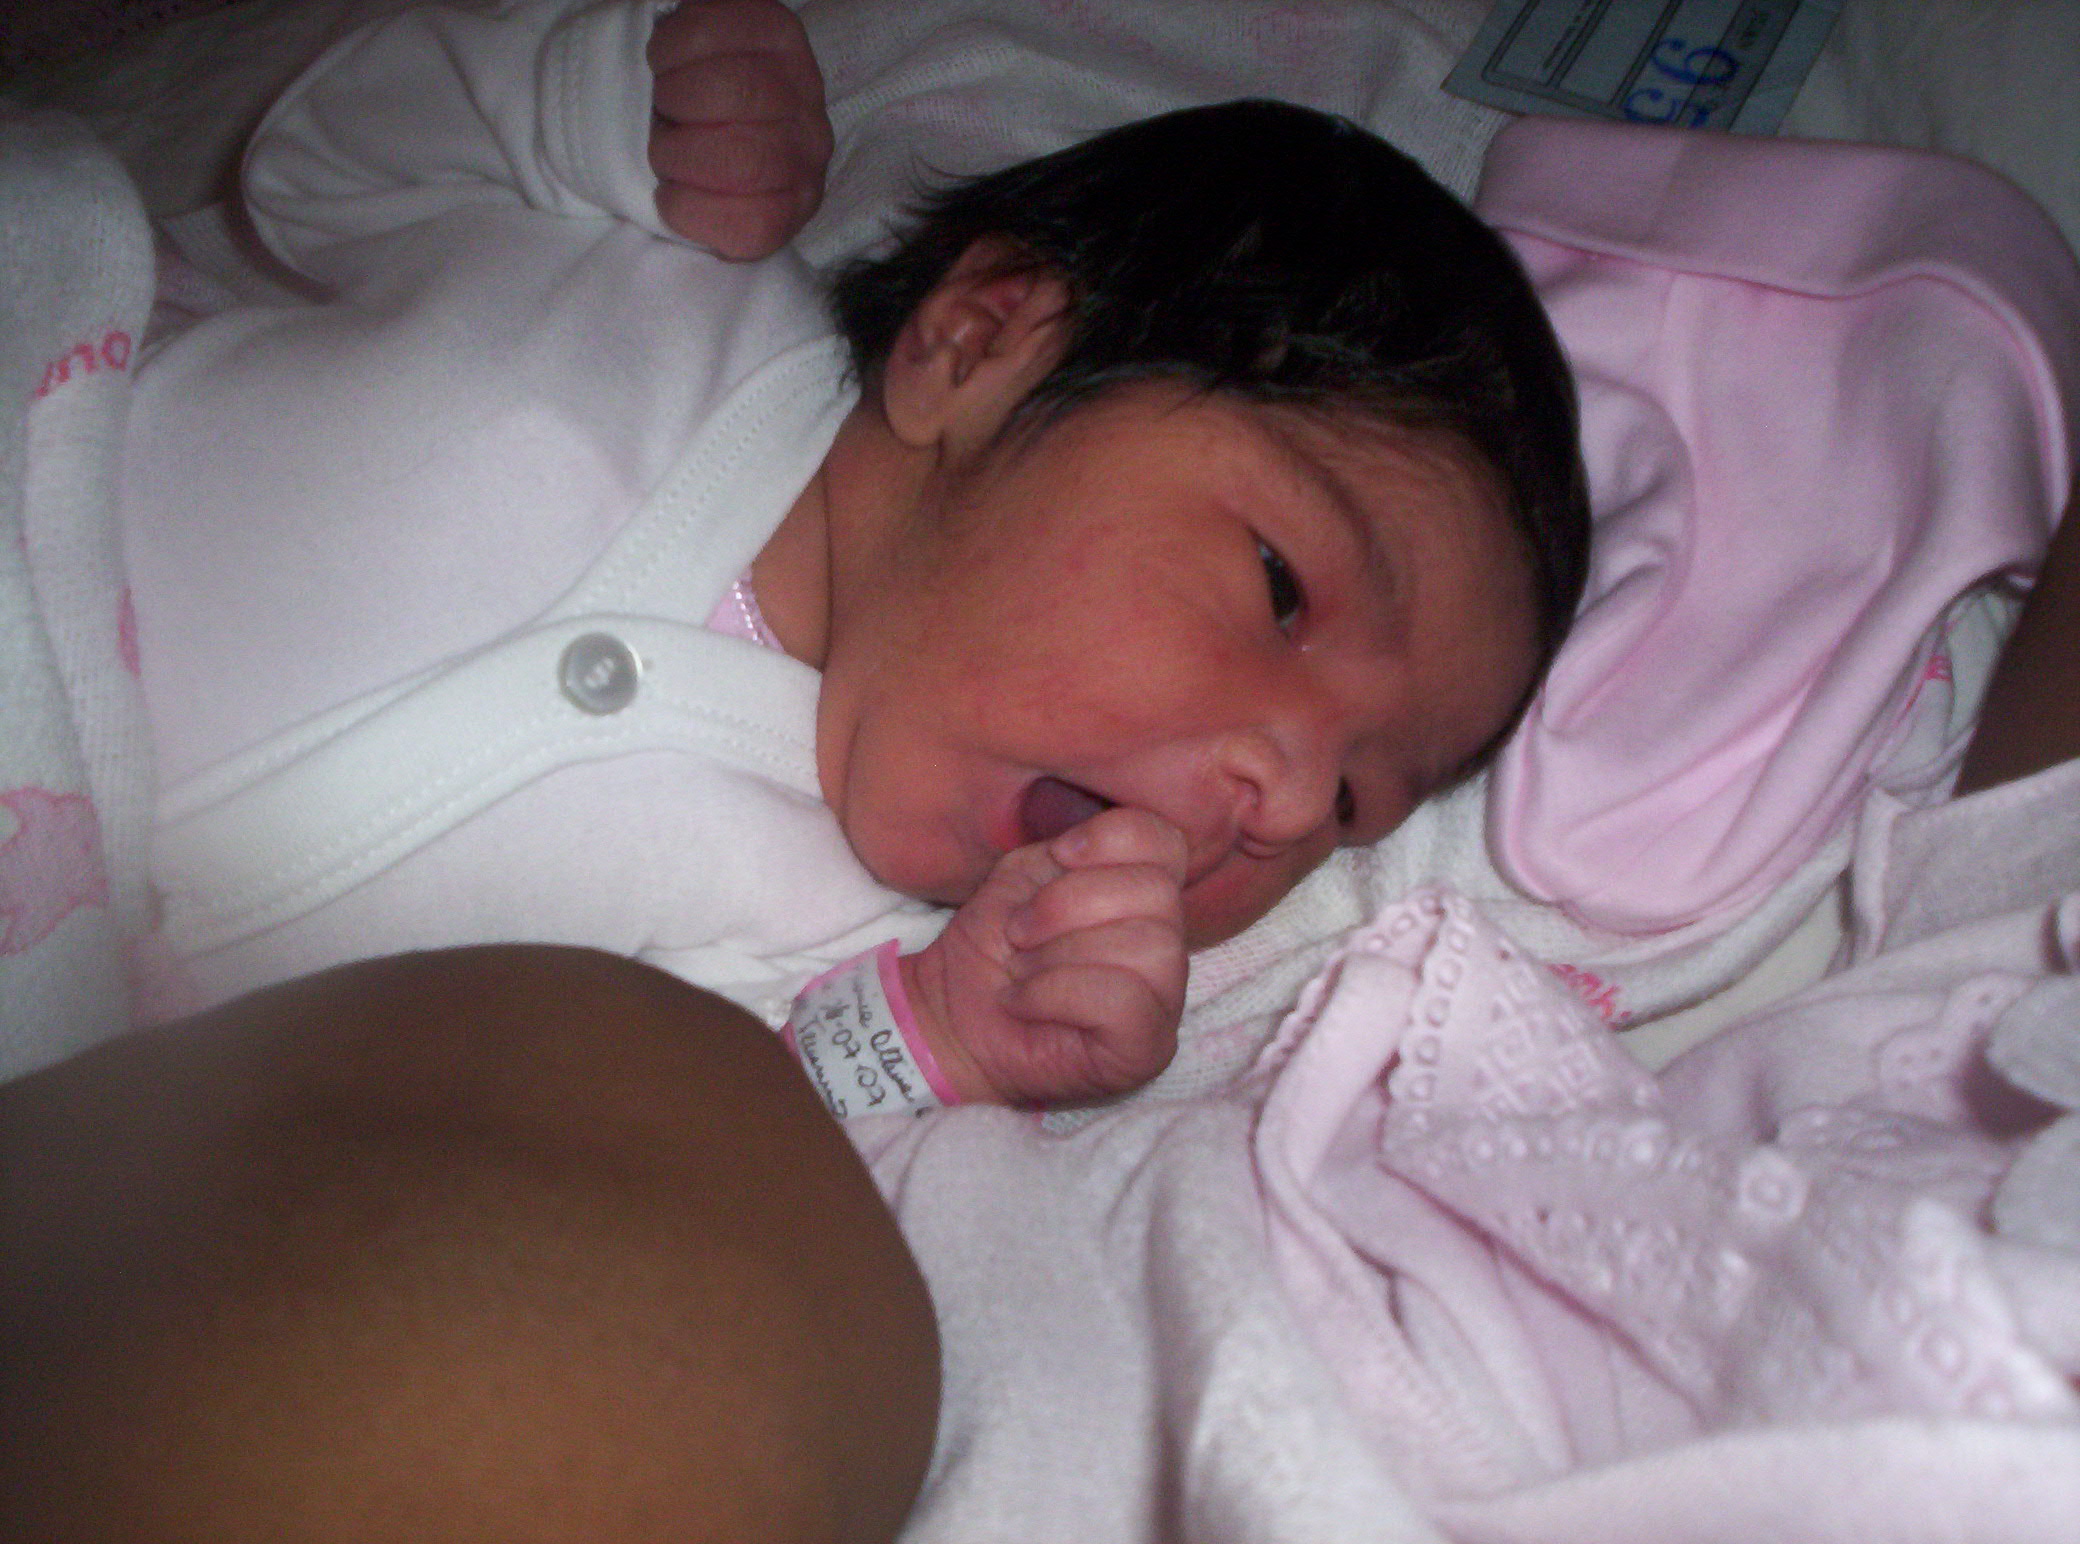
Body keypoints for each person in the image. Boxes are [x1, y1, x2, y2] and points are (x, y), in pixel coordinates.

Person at [118, 0, 1588, 1116]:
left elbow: (653, 1145)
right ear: (980, 344)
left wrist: (940, 1038)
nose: (1279, 799)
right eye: (1281, 588)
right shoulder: (654, 279)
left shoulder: (844, 942)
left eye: (1351, 800)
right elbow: (328, 170)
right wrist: (611, 99)